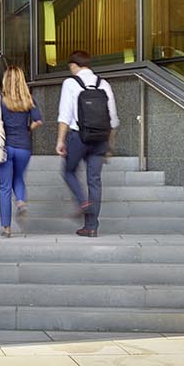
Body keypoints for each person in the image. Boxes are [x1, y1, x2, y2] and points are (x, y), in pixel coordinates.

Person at [55, 51, 119, 238]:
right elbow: (113, 119)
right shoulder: (103, 84)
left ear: (74, 65)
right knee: (95, 181)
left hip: (78, 137)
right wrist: (110, 145)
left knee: (68, 171)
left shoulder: (70, 83)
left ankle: (83, 201)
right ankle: (91, 227)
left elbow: (64, 115)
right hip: (100, 138)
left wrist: (60, 140)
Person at [0, 65, 43, 237]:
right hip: (24, 147)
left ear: (6, 81)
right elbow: (38, 121)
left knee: (4, 187)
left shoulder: (1, 101)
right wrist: (27, 129)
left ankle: (6, 228)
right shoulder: (29, 100)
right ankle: (20, 201)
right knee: (18, 178)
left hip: (4, 148)